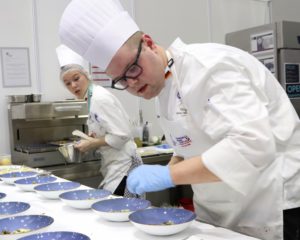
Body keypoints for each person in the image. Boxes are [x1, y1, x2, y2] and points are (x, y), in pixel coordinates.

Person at [58, 1, 300, 239]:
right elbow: (187, 147)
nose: (132, 84)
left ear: (149, 44)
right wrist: (169, 167)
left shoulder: (212, 68)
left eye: (132, 68)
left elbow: (253, 146)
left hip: (270, 204)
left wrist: (167, 177)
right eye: (121, 80)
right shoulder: (161, 87)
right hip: (217, 208)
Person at [56, 44, 143, 198]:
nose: (73, 85)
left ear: (86, 75)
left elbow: (122, 134)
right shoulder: (91, 98)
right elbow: (108, 129)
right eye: (68, 83)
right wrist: (93, 137)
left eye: (76, 78)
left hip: (124, 167)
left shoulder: (99, 98)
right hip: (114, 166)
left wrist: (92, 143)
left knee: (124, 215)